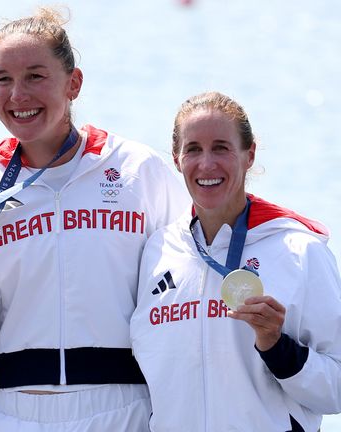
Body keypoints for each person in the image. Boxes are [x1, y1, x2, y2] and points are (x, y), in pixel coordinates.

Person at [0, 7, 188, 431]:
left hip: (124, 407)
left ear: (74, 83)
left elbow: (184, 285)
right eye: (3, 80)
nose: (18, 95)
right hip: (16, 411)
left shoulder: (138, 170)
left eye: (35, 76)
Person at [129, 91, 341, 431]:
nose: (207, 164)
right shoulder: (158, 250)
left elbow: (336, 389)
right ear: (176, 159)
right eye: (193, 149)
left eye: (221, 148)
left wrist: (276, 346)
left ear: (249, 154)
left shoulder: (300, 251)